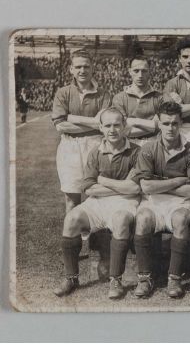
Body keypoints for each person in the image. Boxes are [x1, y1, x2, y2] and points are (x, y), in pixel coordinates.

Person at [53, 108, 141, 299]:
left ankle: (115, 279)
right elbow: (88, 188)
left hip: (125, 202)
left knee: (120, 220)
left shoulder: (136, 151)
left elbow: (134, 189)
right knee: (72, 219)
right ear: (100, 127)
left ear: (124, 126)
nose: (112, 130)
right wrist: (119, 186)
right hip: (97, 201)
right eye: (107, 125)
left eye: (117, 125)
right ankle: (71, 277)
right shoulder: (95, 152)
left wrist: (102, 181)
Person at [131, 101, 190, 299]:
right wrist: (179, 180)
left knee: (181, 219)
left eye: (174, 123)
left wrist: (161, 183)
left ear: (181, 124)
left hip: (182, 203)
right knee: (143, 218)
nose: (170, 128)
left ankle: (174, 277)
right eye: (165, 123)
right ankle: (145, 277)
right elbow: (146, 186)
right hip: (154, 201)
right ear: (159, 124)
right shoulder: (148, 149)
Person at [52, 49, 111, 213]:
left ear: (93, 68)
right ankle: (73, 238)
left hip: (97, 146)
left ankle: (97, 238)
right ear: (71, 69)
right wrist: (93, 122)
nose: (82, 71)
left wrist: (71, 117)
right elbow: (60, 126)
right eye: (78, 67)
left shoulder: (104, 94)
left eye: (86, 66)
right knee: (72, 199)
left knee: (98, 196)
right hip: (69, 147)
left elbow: (104, 124)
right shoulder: (63, 93)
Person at [112, 56, 163, 146]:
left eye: (144, 71)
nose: (140, 75)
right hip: (127, 146)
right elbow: (123, 129)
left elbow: (163, 125)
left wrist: (132, 121)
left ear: (150, 72)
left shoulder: (159, 97)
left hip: (154, 145)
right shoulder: (119, 98)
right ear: (130, 71)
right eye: (136, 71)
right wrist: (153, 126)